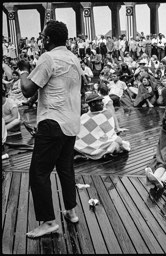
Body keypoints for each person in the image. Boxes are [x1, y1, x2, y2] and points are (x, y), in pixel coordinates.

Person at [19, 20, 84, 238]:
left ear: (47, 39)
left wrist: (23, 70)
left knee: (39, 172)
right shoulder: (74, 59)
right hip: (72, 122)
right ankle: (71, 211)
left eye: (43, 36)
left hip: (52, 122)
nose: (41, 39)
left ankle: (48, 222)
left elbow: (28, 90)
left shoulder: (48, 58)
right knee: (65, 168)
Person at [74, 92, 130, 160]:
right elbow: (79, 133)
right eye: (99, 101)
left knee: (117, 142)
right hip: (89, 143)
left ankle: (89, 155)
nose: (102, 103)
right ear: (93, 104)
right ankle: (103, 154)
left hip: (104, 141)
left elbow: (109, 133)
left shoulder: (106, 114)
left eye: (101, 101)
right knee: (75, 144)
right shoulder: (85, 117)